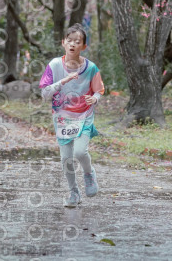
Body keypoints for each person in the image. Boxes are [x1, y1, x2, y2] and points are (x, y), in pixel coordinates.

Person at [39, 23, 104, 208]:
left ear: (84, 46)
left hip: (84, 115)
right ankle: (74, 192)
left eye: (77, 41)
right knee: (66, 158)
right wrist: (63, 81)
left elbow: (99, 90)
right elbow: (45, 93)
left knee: (80, 152)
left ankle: (89, 173)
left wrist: (95, 99)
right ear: (63, 43)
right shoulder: (54, 65)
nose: (73, 44)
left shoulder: (91, 68)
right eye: (69, 40)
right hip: (62, 118)